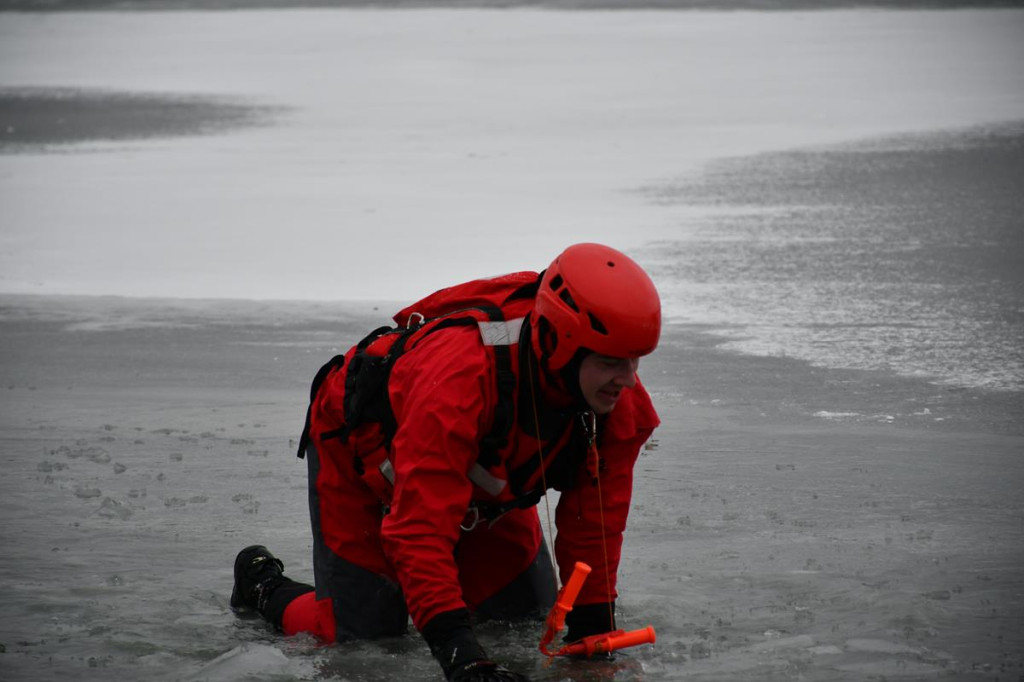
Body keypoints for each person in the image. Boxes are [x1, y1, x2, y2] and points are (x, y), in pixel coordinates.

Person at [230, 243, 661, 682]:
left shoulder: (615, 402)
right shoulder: (460, 380)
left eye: (634, 361)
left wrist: (592, 635)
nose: (628, 380)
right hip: (363, 461)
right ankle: (262, 583)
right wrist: (464, 658)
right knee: (365, 645)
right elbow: (418, 530)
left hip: (482, 485)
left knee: (521, 625)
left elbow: (596, 526)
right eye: (611, 362)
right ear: (559, 345)